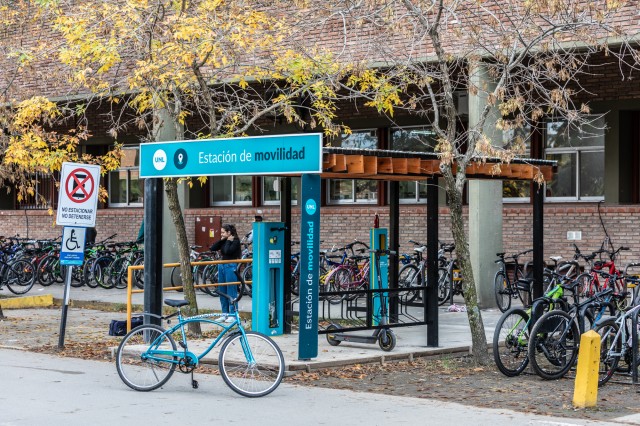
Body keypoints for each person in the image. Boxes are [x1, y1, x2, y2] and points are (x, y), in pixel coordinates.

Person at [209, 224, 241, 322]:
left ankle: (233, 314)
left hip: (230, 265)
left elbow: (227, 251)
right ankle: (224, 313)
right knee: (222, 290)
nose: (221, 234)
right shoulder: (225, 240)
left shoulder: (235, 241)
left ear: (229, 232)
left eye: (223, 232)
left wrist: (228, 241)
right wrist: (223, 239)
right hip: (222, 265)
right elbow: (213, 247)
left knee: (231, 290)